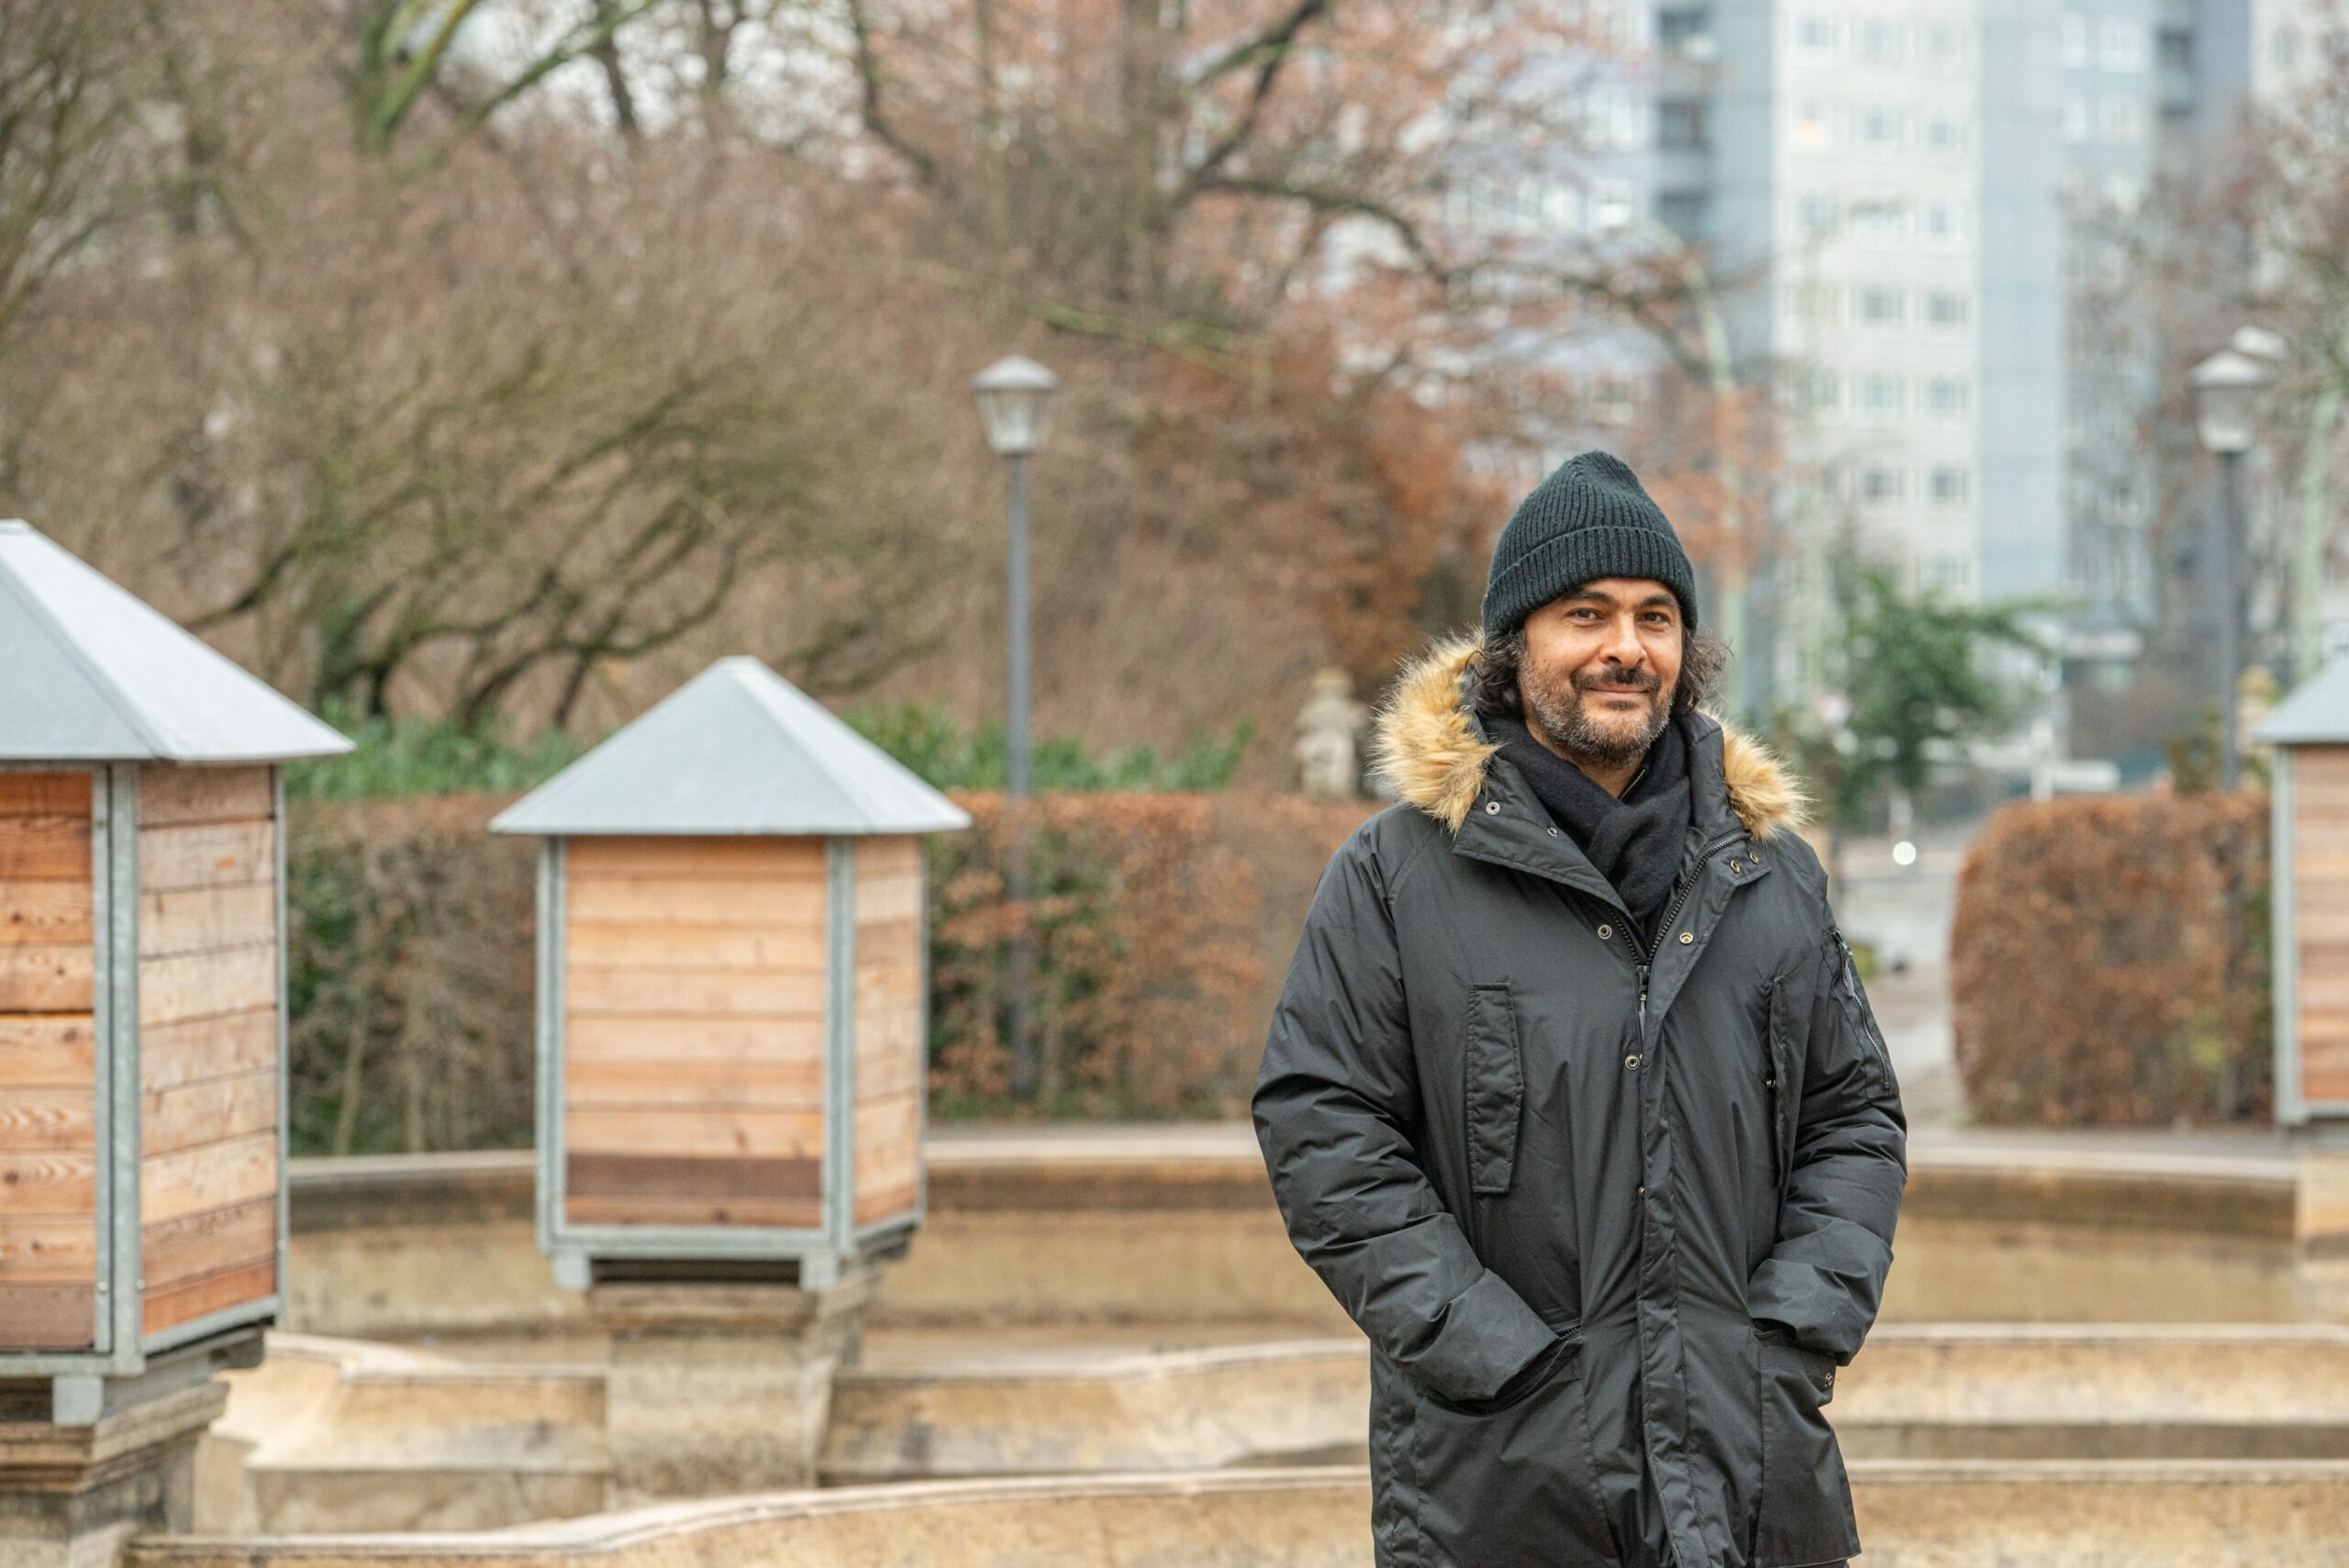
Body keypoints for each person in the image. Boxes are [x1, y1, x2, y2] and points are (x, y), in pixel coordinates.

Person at [1252, 450, 1908, 1568]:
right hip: (1501, 1482)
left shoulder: (1770, 873)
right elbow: (1326, 1131)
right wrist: (1494, 1353)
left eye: (1656, 617)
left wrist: (1791, 1330)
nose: (1624, 647)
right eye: (1584, 614)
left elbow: (1854, 1117)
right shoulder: (1397, 875)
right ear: (1516, 649)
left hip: (1750, 1474)